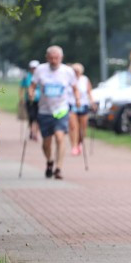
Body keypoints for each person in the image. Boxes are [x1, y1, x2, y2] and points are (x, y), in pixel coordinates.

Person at [30, 45, 78, 180]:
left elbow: (75, 88)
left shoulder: (68, 71)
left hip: (61, 109)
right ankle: (50, 161)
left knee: (60, 137)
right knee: (46, 142)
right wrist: (31, 94)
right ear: (47, 58)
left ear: (61, 58)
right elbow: (32, 86)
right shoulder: (40, 70)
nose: (53, 61)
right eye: (51, 58)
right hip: (44, 110)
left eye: (56, 58)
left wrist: (78, 99)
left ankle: (59, 168)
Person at [70, 63, 94, 156]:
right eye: (74, 71)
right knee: (73, 127)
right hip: (72, 105)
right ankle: (74, 146)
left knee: (83, 127)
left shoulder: (85, 79)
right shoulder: (69, 79)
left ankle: (79, 142)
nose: (76, 72)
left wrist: (92, 102)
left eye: (77, 71)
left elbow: (89, 92)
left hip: (83, 105)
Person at [20, 59, 40, 140]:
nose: (34, 69)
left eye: (35, 68)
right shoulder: (26, 77)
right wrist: (21, 98)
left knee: (38, 117)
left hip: (40, 100)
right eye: (32, 68)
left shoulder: (41, 76)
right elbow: (22, 88)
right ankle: (32, 130)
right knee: (31, 116)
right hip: (29, 100)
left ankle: (36, 132)